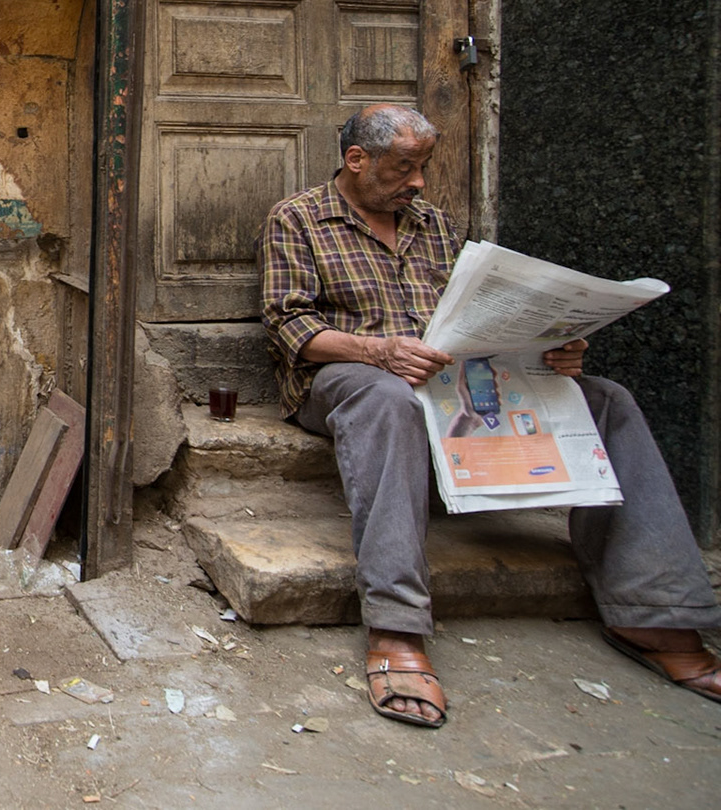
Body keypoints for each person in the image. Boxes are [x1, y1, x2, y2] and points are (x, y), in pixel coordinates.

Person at [259, 103, 721, 728]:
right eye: (404, 168)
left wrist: (549, 346)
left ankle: (654, 613)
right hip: (347, 376)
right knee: (386, 398)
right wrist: (381, 351)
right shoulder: (298, 219)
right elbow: (291, 325)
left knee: (606, 398)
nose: (418, 182)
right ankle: (396, 626)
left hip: (452, 376)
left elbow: (476, 314)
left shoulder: (436, 226)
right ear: (356, 160)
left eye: (423, 168)